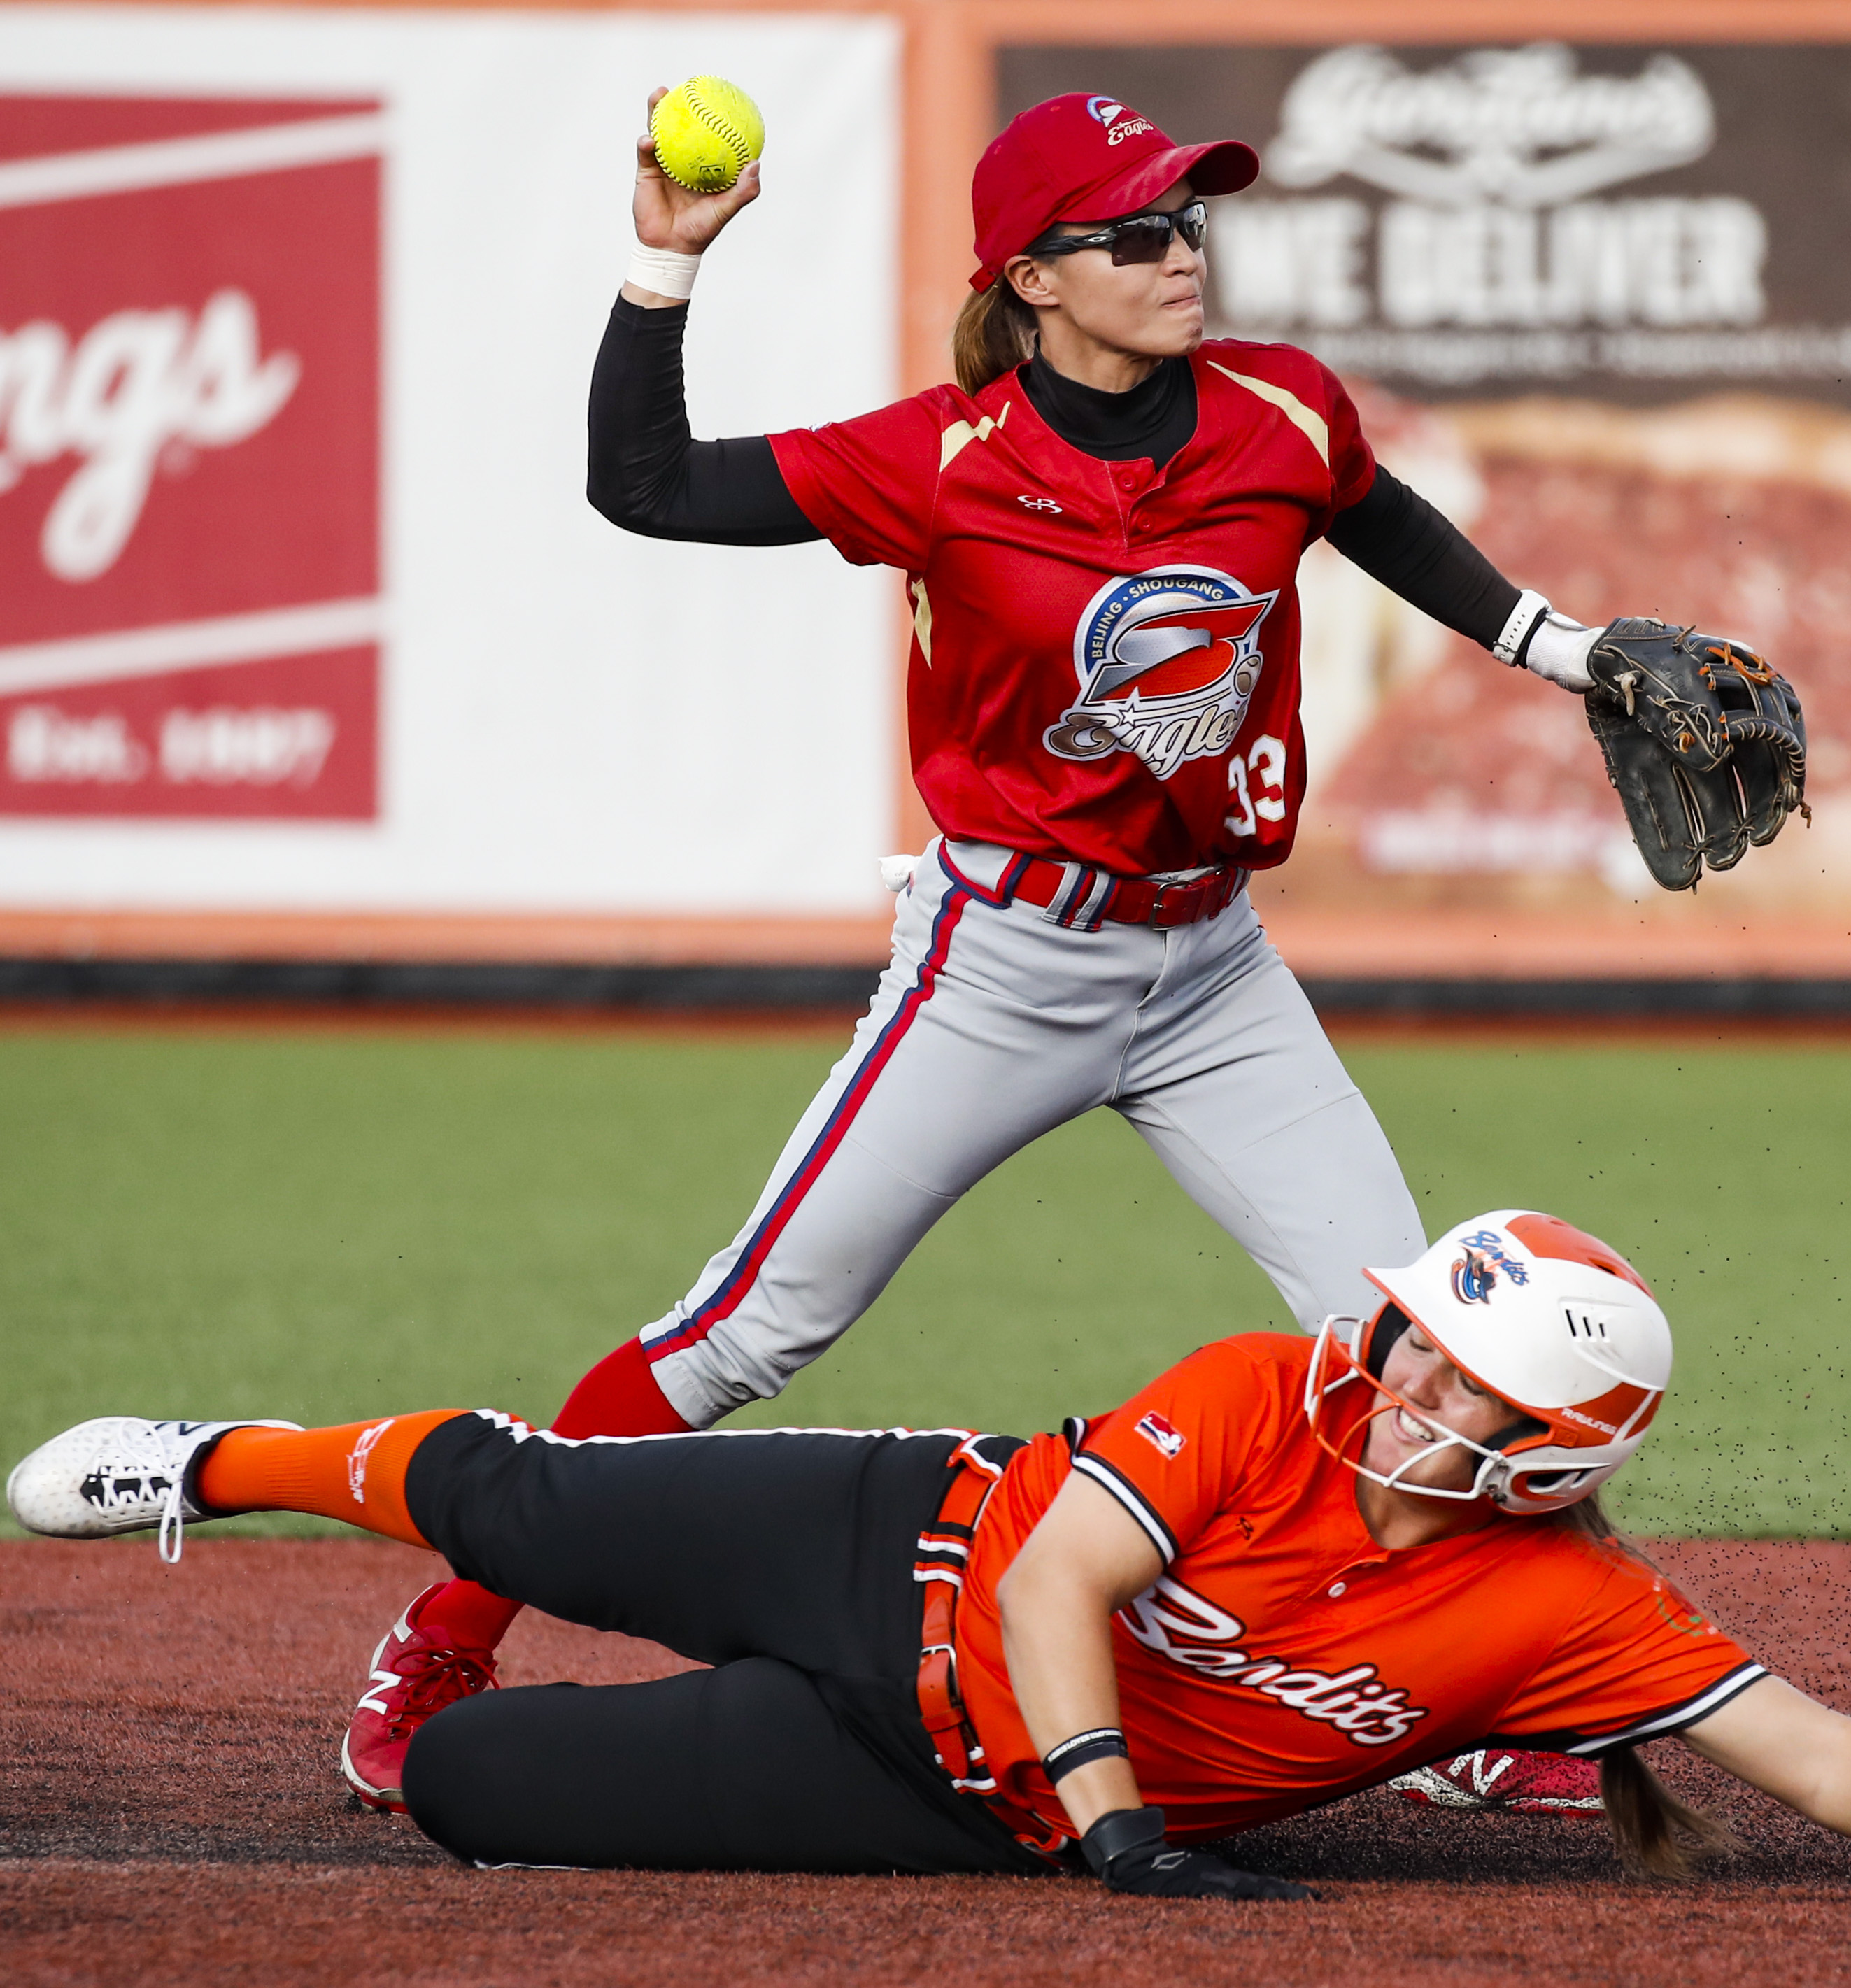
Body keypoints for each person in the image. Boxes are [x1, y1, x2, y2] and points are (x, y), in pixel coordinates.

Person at [333, 83, 1660, 1811]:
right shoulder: (934, 461)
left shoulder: (1278, 408)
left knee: (1389, 1343)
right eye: (1133, 232)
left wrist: (1562, 649)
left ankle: (1430, 1707)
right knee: (740, 1331)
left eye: (1189, 221)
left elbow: (1374, 514)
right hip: (1002, 961)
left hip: (1215, 970)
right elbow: (643, 488)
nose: (1179, 253)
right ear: (1030, 279)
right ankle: (448, 1627)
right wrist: (663, 270)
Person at [10, 1212, 1851, 1907]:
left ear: (1552, 1449)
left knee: (466, 1799)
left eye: (1462, 1382)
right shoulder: (1249, 1386)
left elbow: (1807, 1748)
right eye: (1413, 1332)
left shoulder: (1567, 1604)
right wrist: (1117, 1820)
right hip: (882, 1539)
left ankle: (465, 1735)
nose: (1401, 1378)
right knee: (514, 1498)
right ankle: (220, 1456)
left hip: (928, 1797)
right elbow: (1039, 1592)